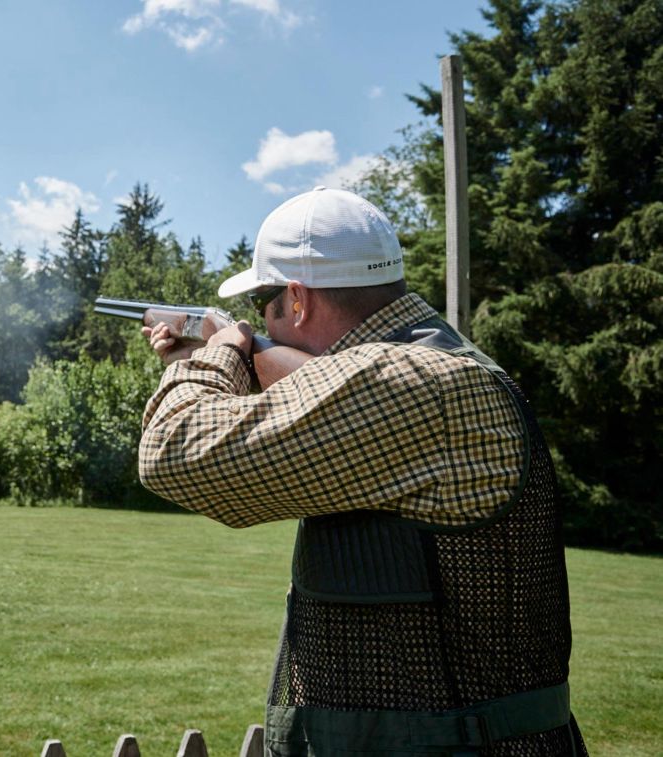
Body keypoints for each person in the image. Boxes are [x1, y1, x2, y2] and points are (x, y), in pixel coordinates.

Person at [137, 186, 587, 756]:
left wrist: (215, 353)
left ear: (296, 301)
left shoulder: (407, 381)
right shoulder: (427, 367)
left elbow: (173, 453)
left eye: (264, 307)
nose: (260, 325)